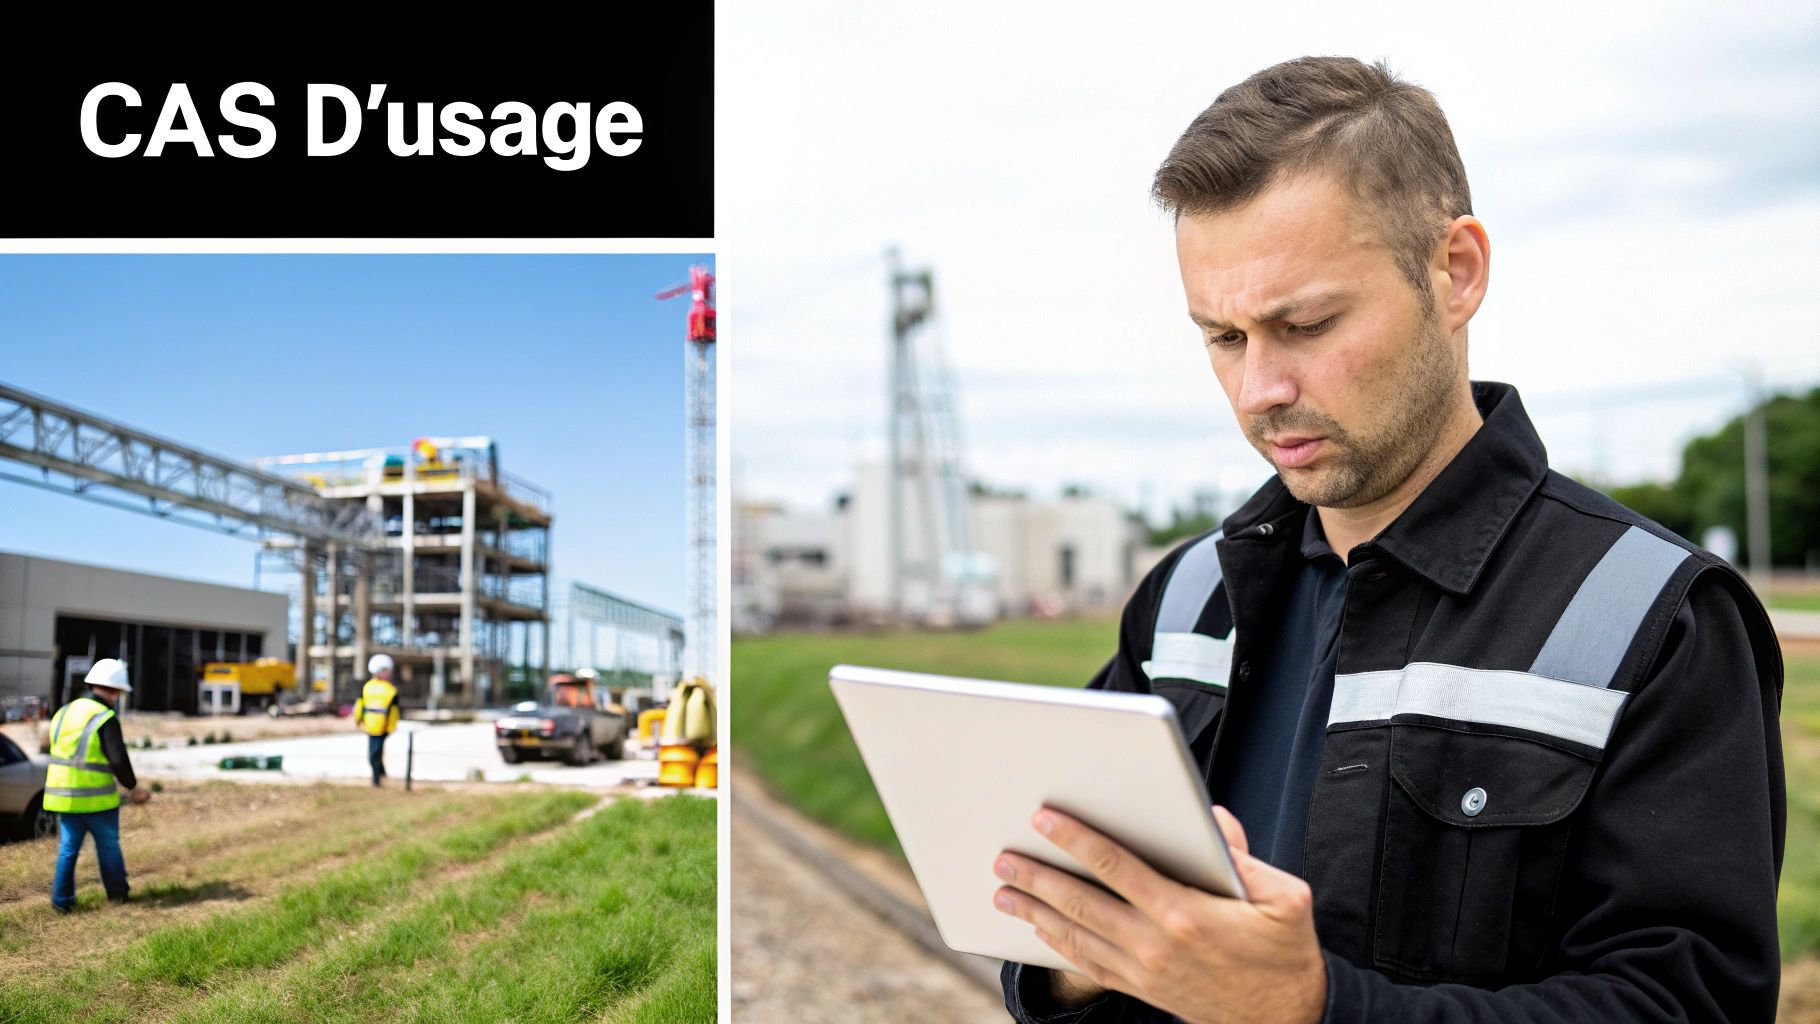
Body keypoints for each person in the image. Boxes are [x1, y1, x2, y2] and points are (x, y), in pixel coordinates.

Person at [993, 57, 1783, 1023]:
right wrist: (1082, 955)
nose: (1259, 391)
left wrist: (1315, 1006)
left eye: (1307, 323)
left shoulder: (1652, 620)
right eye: (1223, 337)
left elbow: (1686, 1006)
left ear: (1455, 272)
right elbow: (1052, 939)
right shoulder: (1183, 600)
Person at [46, 658, 150, 913]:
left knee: (68, 850)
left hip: (63, 797)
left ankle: (62, 902)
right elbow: (118, 758)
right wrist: (133, 787)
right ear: (115, 691)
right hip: (96, 800)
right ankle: (117, 895)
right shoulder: (105, 717)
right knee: (108, 847)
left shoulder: (64, 712)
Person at [353, 654, 401, 787]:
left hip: (381, 727)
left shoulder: (385, 689)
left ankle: (377, 779)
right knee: (375, 754)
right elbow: (360, 705)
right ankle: (380, 775)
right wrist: (358, 719)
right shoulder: (382, 689)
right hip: (372, 726)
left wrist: (391, 726)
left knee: (374, 754)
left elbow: (394, 711)